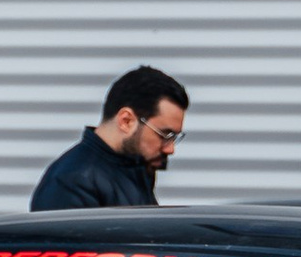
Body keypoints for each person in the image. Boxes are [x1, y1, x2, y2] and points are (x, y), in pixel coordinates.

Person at [31, 67, 188, 210]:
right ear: (126, 121)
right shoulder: (71, 183)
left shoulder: (134, 168)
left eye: (174, 137)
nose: (170, 148)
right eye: (164, 135)